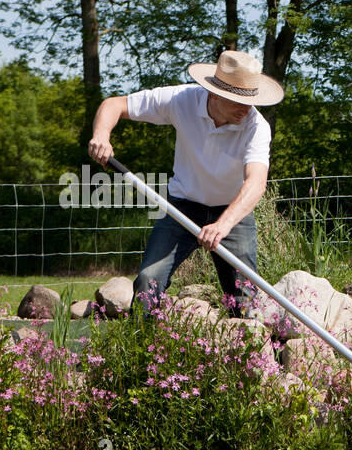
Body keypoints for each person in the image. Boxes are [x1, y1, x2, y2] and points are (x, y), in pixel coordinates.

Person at [86, 50, 284, 315]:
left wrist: (222, 225)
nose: (246, 108)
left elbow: (256, 183)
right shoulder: (181, 100)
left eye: (250, 99)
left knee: (244, 299)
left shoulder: (256, 127)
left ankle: (248, 354)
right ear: (214, 93)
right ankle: (145, 349)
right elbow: (114, 104)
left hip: (231, 213)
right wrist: (101, 134)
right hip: (182, 208)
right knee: (148, 281)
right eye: (238, 100)